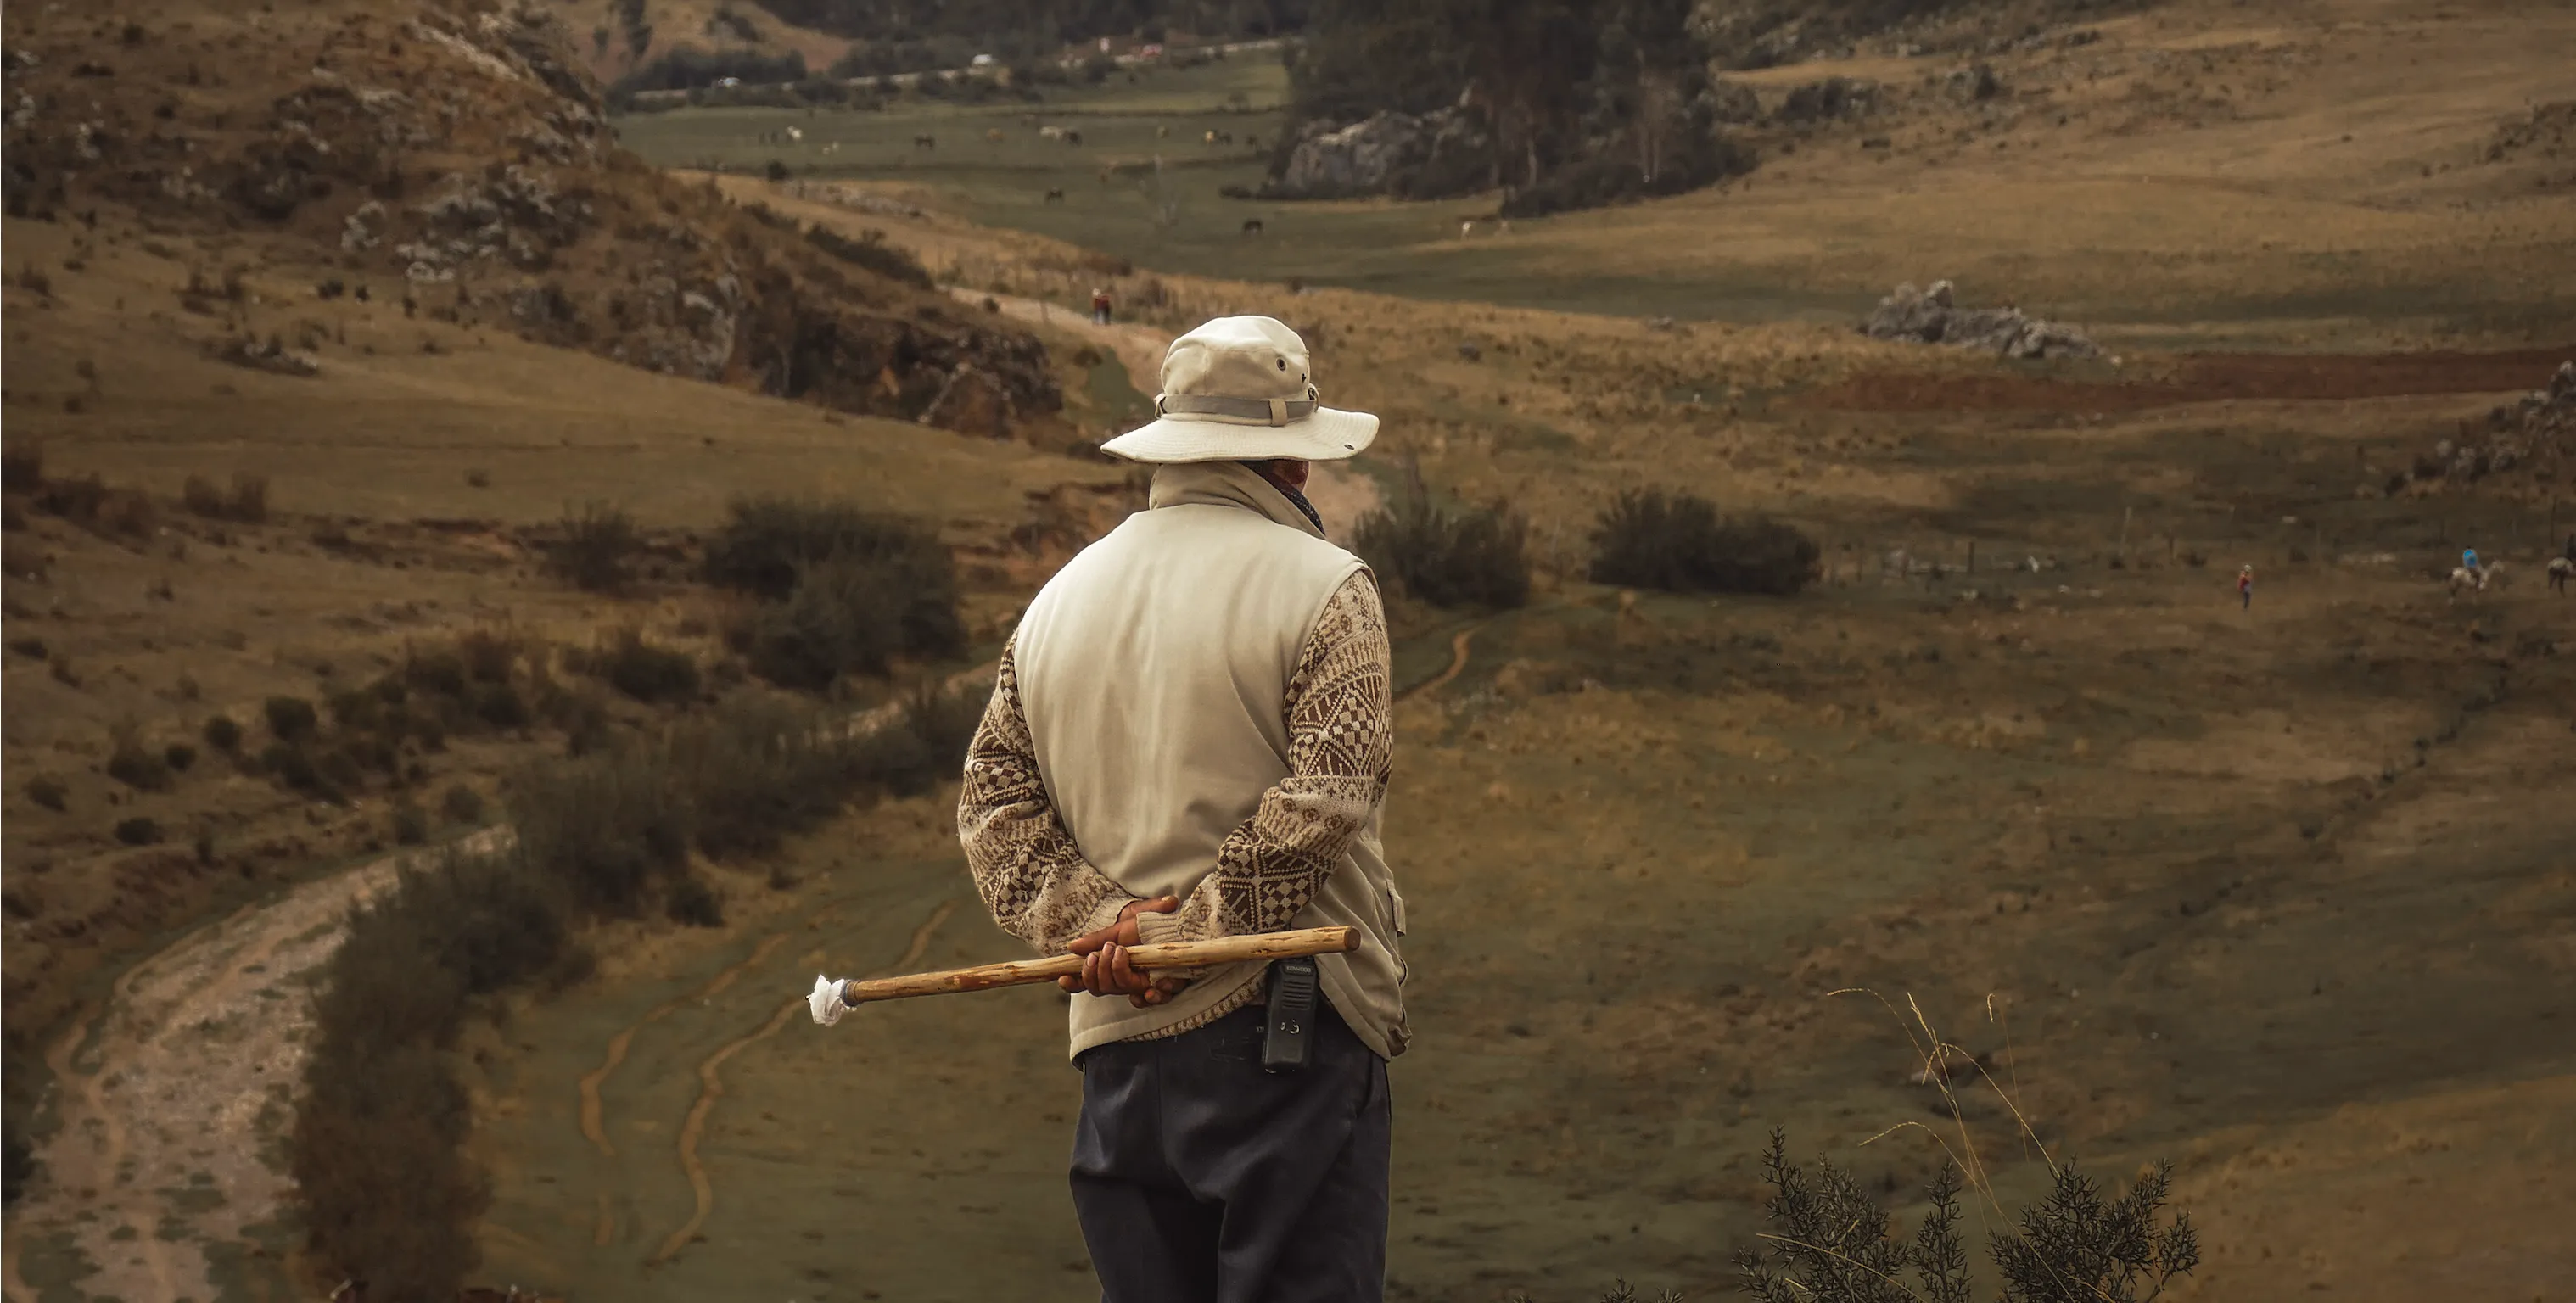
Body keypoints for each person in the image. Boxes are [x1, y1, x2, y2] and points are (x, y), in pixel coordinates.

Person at [957, 315, 1403, 1303]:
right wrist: (1189, 936)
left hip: (1117, 1049)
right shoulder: (1330, 588)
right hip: (1290, 1035)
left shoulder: (1057, 602)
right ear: (1292, 461)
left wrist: (1103, 932)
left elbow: (991, 807)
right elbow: (1329, 794)